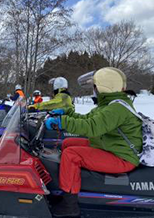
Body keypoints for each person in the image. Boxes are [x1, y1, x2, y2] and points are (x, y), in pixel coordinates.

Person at [45, 67, 142, 217]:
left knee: (71, 154)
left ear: (104, 87)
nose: (94, 90)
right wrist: (68, 113)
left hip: (121, 157)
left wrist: (62, 122)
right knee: (68, 143)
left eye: (95, 86)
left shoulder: (116, 108)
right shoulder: (109, 105)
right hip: (110, 147)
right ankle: (71, 183)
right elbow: (87, 119)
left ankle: (70, 204)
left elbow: (91, 127)